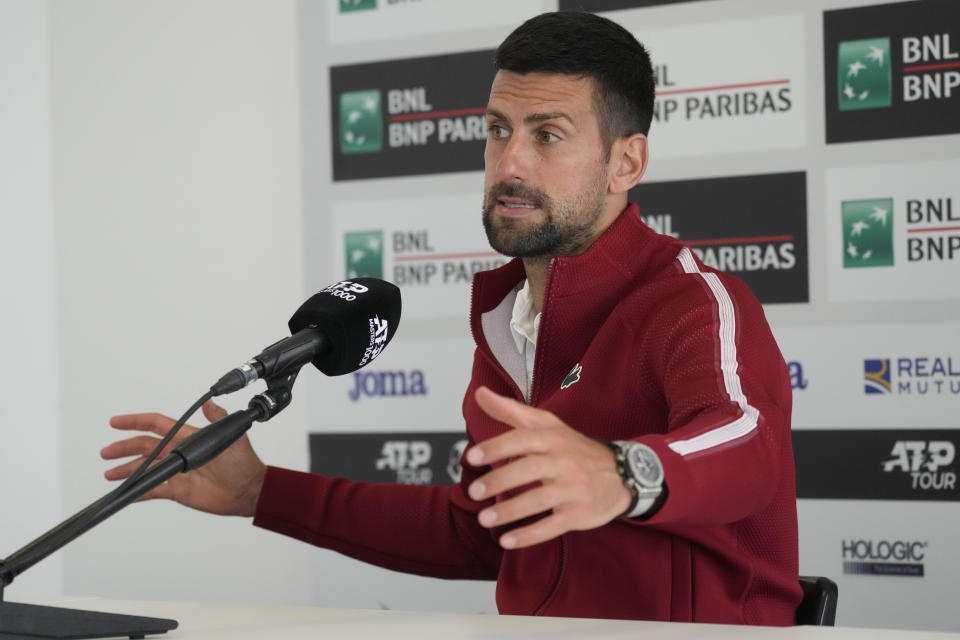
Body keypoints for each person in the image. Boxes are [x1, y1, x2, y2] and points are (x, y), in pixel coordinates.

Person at [102, 11, 801, 625]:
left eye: (548, 135)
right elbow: (479, 534)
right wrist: (260, 492)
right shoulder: (509, 320)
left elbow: (747, 444)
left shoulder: (693, 302)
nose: (511, 164)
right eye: (498, 131)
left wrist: (626, 474)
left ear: (627, 162)